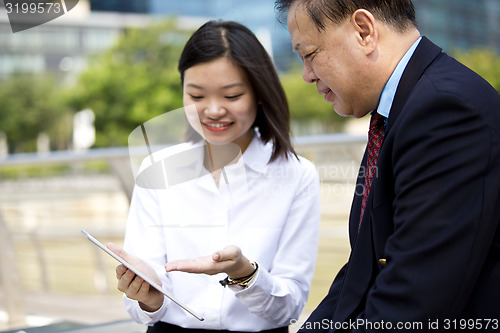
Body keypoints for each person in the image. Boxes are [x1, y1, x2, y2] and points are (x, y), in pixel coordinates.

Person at [275, 0, 500, 332]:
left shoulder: (444, 112)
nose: (307, 75)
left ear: (364, 31)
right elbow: (361, 274)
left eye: (309, 55)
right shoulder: (401, 109)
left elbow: (411, 304)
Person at [109, 20, 321, 332]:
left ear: (260, 93)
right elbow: (144, 298)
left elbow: (288, 307)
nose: (212, 110)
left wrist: (245, 274)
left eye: (232, 96)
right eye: (196, 96)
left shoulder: (298, 176)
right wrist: (149, 298)